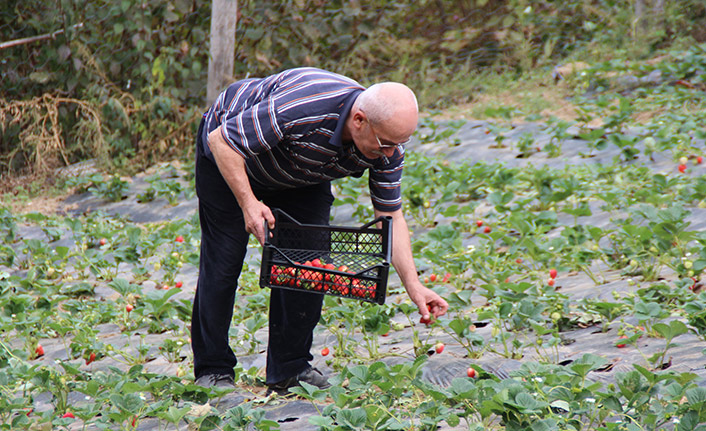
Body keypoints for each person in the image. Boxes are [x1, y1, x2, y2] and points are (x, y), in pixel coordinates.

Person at [192, 67, 449, 391]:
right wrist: (248, 202)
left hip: (300, 172)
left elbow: (391, 217)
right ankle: (213, 370)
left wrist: (414, 285)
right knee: (224, 262)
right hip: (230, 157)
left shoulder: (388, 145)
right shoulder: (303, 107)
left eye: (399, 144)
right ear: (359, 120)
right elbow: (222, 140)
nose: (390, 154)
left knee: (308, 263)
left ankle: (290, 368)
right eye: (385, 144)